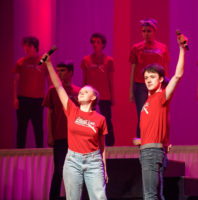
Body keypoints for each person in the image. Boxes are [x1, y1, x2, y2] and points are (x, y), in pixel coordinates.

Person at [43, 54, 108, 200]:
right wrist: (48, 65)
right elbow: (58, 87)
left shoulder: (100, 119)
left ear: (93, 98)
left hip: (94, 161)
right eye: (80, 92)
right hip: (73, 160)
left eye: (85, 92)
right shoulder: (72, 110)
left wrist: (104, 168)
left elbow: (102, 147)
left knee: (99, 197)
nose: (80, 93)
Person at [133, 33, 187, 199]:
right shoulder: (149, 101)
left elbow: (177, 76)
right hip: (150, 149)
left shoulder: (161, 96)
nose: (148, 80)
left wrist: (182, 49)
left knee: (150, 196)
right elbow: (164, 121)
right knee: (156, 195)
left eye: (152, 77)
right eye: (146, 77)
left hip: (151, 152)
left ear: (161, 79)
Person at [43, 61, 80, 200]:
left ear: (70, 72)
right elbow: (50, 113)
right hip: (59, 136)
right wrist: (50, 135)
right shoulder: (53, 90)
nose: (59, 73)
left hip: (75, 137)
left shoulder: (78, 91)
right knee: (59, 169)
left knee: (76, 169)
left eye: (63, 70)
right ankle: (53, 196)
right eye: (58, 71)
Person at [129, 18, 170, 138]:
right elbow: (133, 70)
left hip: (158, 86)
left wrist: (166, 87)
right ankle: (142, 141)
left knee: (157, 114)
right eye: (144, 31)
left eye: (149, 31)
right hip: (141, 85)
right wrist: (131, 91)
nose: (146, 34)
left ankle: (157, 140)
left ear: (154, 31)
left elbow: (165, 67)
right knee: (143, 114)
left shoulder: (162, 48)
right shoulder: (136, 48)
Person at [13, 36, 48, 148]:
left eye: (29, 46)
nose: (26, 48)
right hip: (23, 99)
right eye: (25, 46)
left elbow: (49, 79)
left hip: (38, 100)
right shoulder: (21, 62)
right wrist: (15, 98)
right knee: (21, 128)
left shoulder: (42, 61)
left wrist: (49, 97)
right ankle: (18, 154)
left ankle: (40, 152)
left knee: (38, 128)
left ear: (35, 47)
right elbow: (16, 81)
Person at [81, 33, 115, 146]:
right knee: (90, 120)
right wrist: (82, 97)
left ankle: (110, 145)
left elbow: (111, 80)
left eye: (98, 42)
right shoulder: (86, 60)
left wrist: (112, 96)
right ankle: (91, 143)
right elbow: (84, 80)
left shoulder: (109, 60)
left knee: (107, 120)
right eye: (93, 42)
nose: (95, 44)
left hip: (105, 95)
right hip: (91, 96)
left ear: (103, 44)